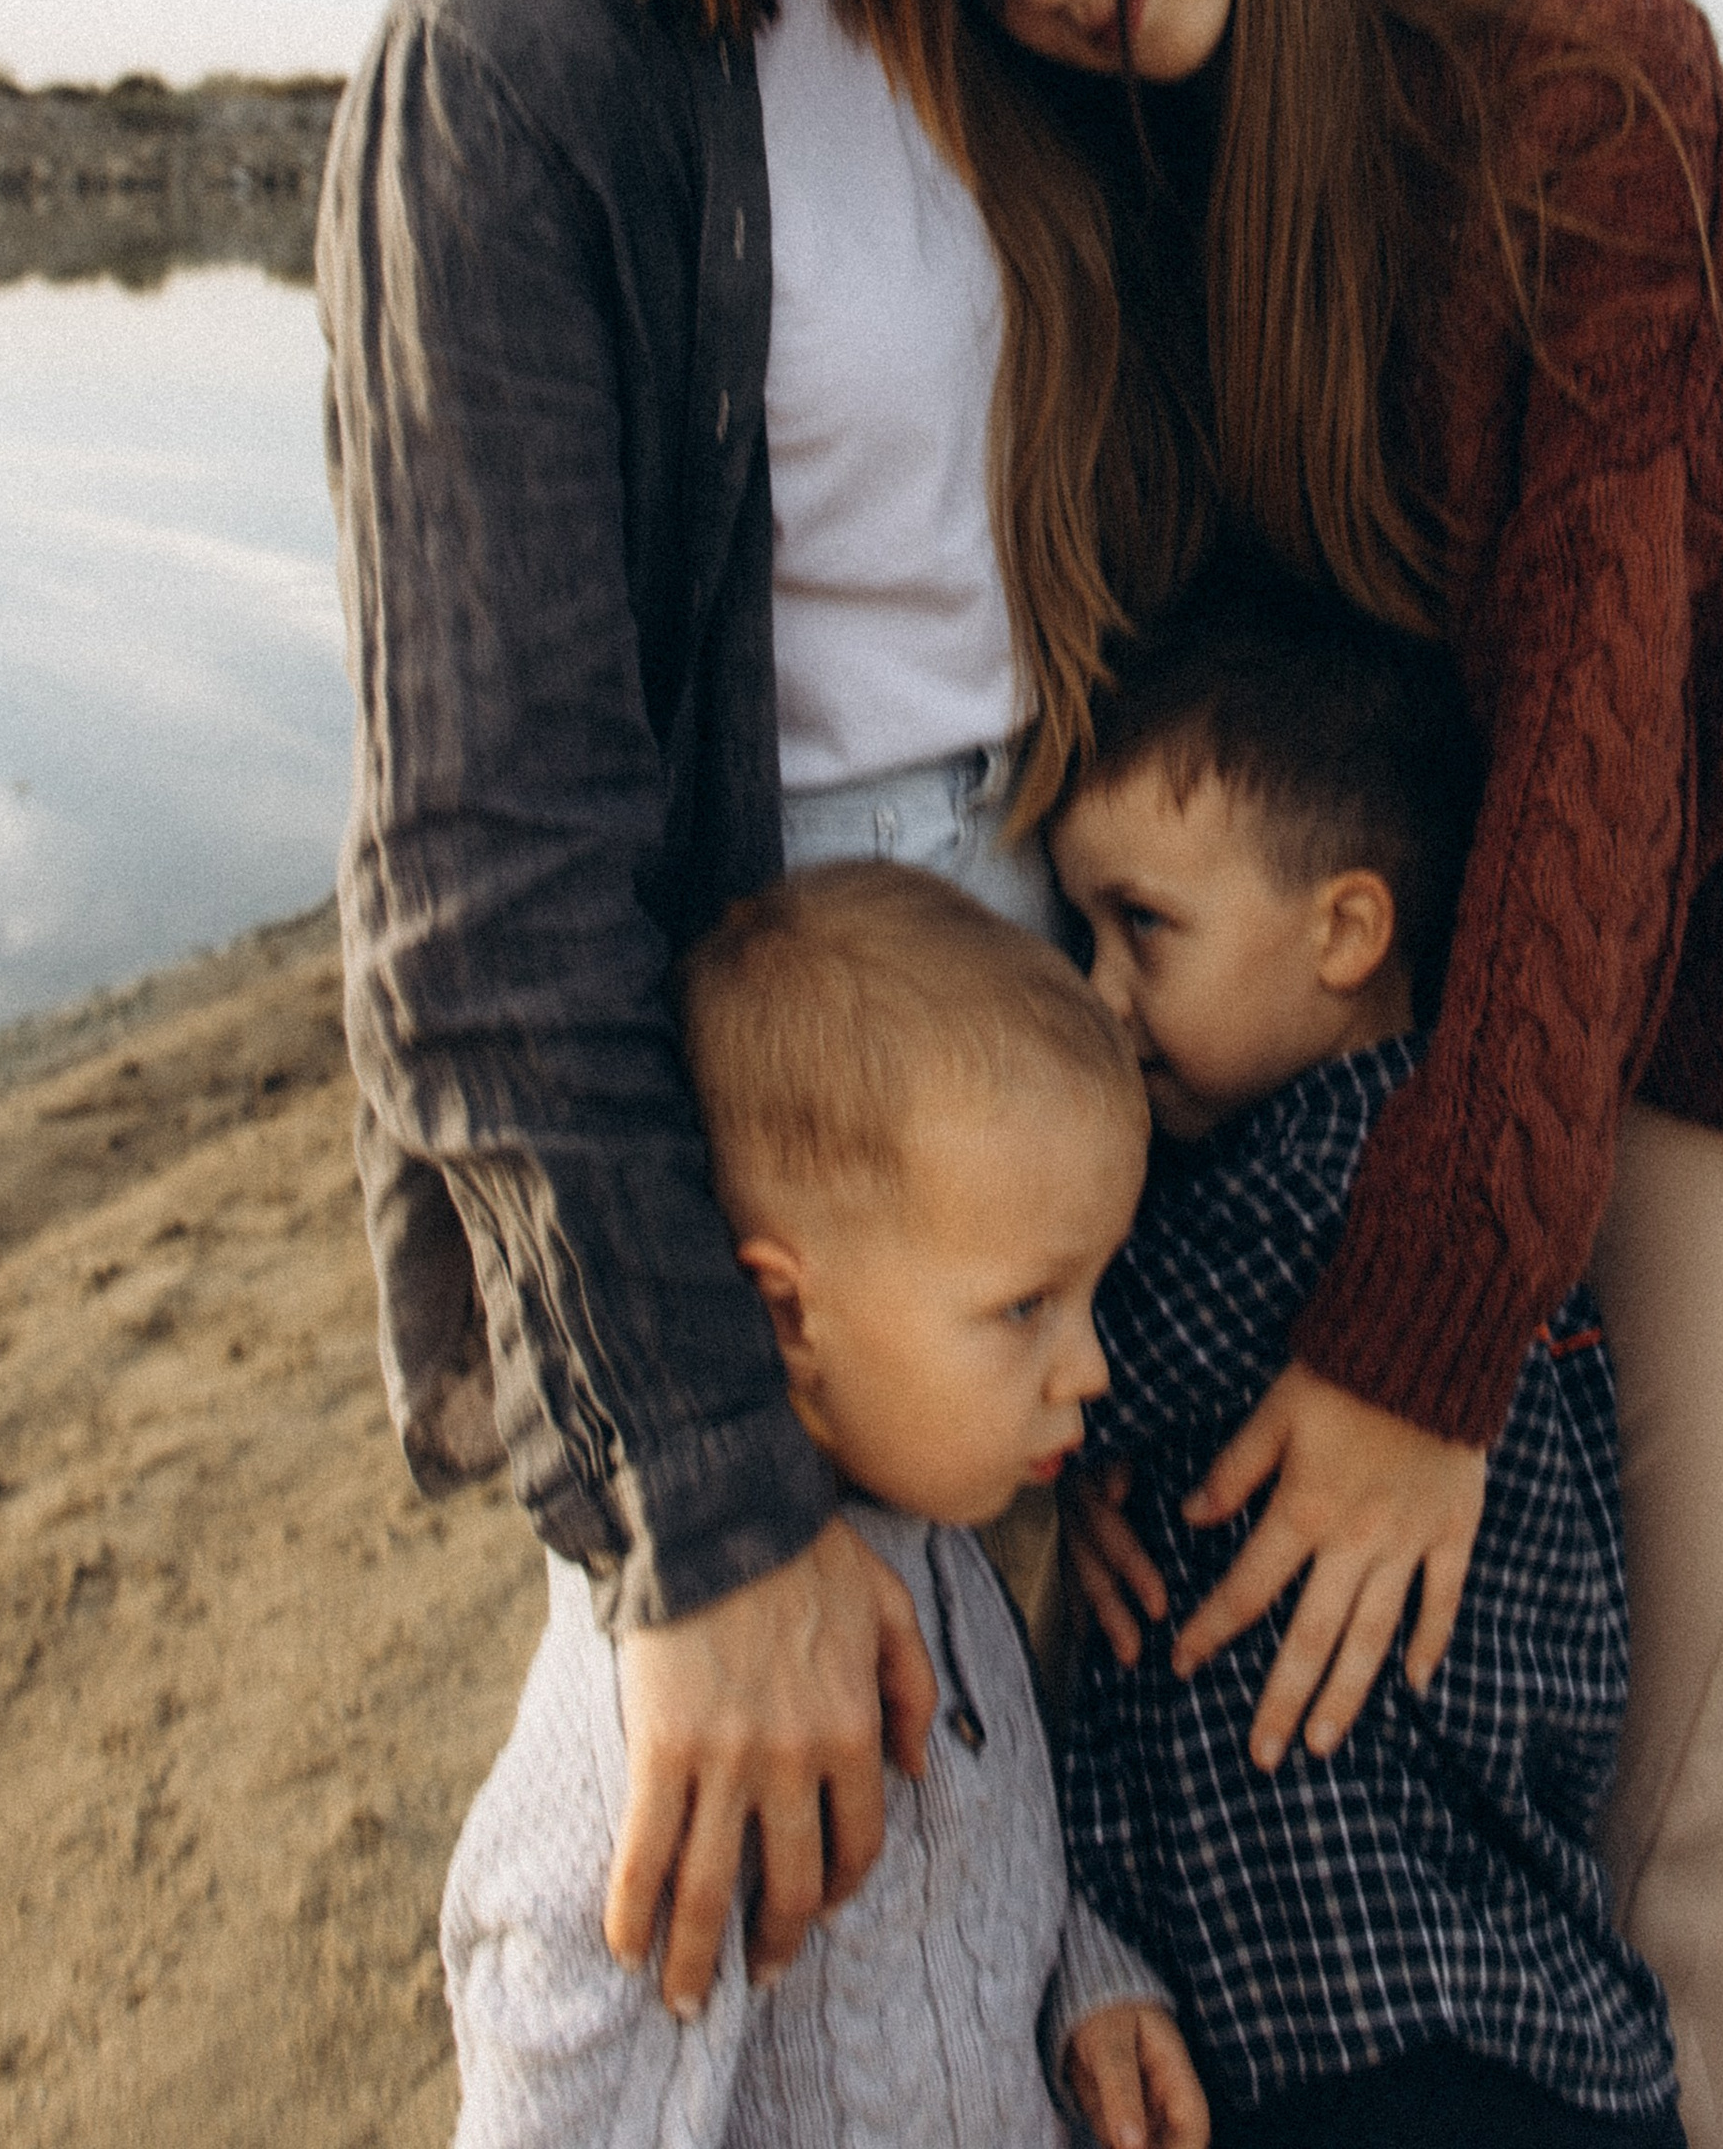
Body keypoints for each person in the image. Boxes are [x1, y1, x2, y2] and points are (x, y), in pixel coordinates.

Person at [953, 0, 1723, 2149]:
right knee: (1332, 1786)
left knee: (1669, 1891)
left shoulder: (1582, 74)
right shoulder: (1104, 212)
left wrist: (1432, 1334)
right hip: (1339, 1049)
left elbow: (1605, 751)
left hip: (1721, 1010)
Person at [318, 0, 1186, 2024]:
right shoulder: (523, 44)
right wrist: (692, 1493)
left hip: (1041, 1027)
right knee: (726, 1909)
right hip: (782, 1086)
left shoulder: (969, 5)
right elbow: (481, 866)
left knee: (997, 1851)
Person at [1048, 565, 1686, 2149]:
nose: (1094, 994)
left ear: (1345, 931)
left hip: (1379, 2030)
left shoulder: (1311, 1179)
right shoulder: (1455, 1191)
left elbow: (1030, 1379)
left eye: (1142, 928)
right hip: (1534, 2035)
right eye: (1079, 932)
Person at [443, 862, 1212, 2149]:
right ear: (791, 1315)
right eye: (1026, 1307)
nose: (1090, 1367)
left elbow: (979, 1860)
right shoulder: (674, 1693)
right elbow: (543, 2051)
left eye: (1089, 1295)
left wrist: (1089, 1982)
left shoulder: (945, 1545)